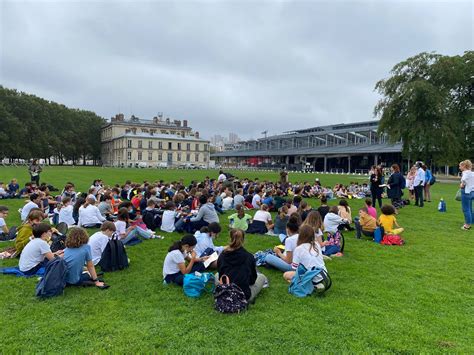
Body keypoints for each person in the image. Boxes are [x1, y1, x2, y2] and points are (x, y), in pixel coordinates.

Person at [217, 229, 268, 303]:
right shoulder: (249, 257)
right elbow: (252, 280)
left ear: (230, 238)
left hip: (226, 292)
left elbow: (220, 276)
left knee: (216, 276)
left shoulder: (222, 255)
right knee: (262, 277)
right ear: (243, 240)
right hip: (243, 296)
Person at [459, 159, 474, 230]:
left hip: (466, 191)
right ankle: (470, 221)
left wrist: (462, 184)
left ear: (464, 165)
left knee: (466, 209)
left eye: (460, 166)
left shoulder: (465, 173)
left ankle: (467, 225)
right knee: (470, 209)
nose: (459, 167)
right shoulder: (472, 173)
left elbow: (464, 179)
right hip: (472, 192)